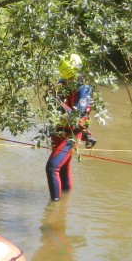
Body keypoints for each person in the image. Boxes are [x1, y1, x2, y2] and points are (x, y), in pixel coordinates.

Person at [45, 53, 93, 201]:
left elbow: (76, 115)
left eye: (70, 77)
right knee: (63, 168)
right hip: (58, 130)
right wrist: (52, 98)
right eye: (65, 78)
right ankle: (64, 207)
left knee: (52, 168)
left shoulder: (84, 89)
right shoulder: (63, 82)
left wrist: (59, 102)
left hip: (71, 134)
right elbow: (55, 106)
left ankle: (53, 210)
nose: (67, 81)